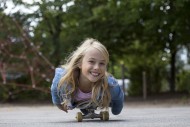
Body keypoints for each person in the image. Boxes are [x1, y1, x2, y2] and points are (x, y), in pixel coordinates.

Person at [51, 38, 124, 115]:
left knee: (103, 97)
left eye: (102, 63)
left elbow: (119, 97)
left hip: (94, 101)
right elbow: (54, 89)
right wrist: (58, 104)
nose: (97, 67)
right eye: (91, 62)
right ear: (79, 63)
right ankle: (85, 109)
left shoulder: (110, 85)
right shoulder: (64, 80)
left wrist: (116, 111)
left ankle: (87, 109)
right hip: (78, 101)